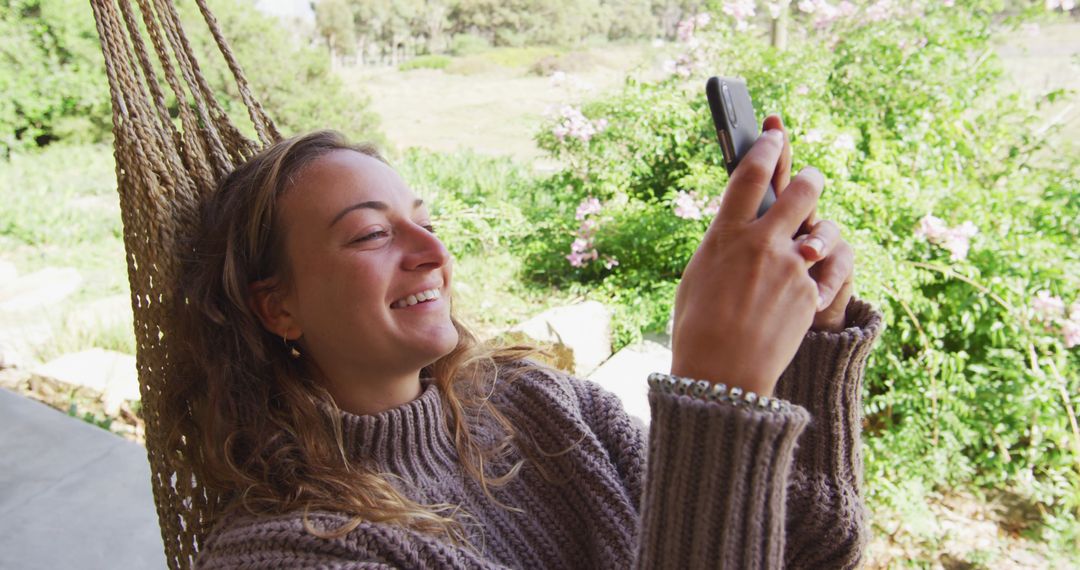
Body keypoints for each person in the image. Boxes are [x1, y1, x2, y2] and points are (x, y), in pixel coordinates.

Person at [175, 115, 883, 569]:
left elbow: (812, 544)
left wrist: (818, 341)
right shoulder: (286, 552)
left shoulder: (538, 407)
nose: (431, 250)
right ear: (279, 309)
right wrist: (714, 391)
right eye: (371, 234)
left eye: (423, 219)